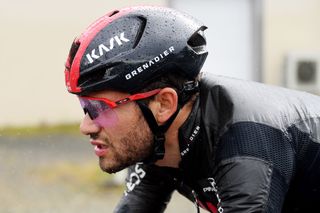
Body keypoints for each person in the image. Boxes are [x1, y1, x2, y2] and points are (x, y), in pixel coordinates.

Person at [64, 6, 320, 213]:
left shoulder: (247, 143)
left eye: (99, 108)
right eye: (84, 106)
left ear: (164, 104)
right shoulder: (157, 135)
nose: (85, 125)